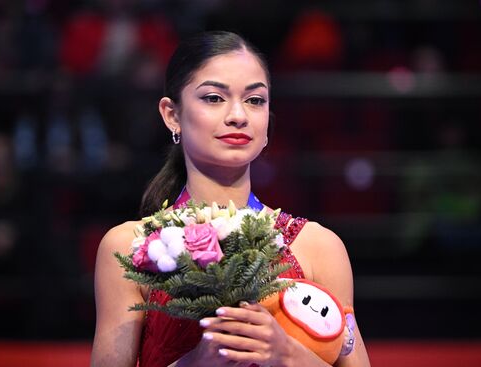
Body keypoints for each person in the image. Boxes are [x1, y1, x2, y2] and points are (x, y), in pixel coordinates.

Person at [91, 31, 371, 367]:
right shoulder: (133, 249)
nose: (238, 115)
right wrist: (196, 363)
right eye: (213, 98)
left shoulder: (319, 247)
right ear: (172, 115)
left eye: (255, 100)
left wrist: (286, 354)